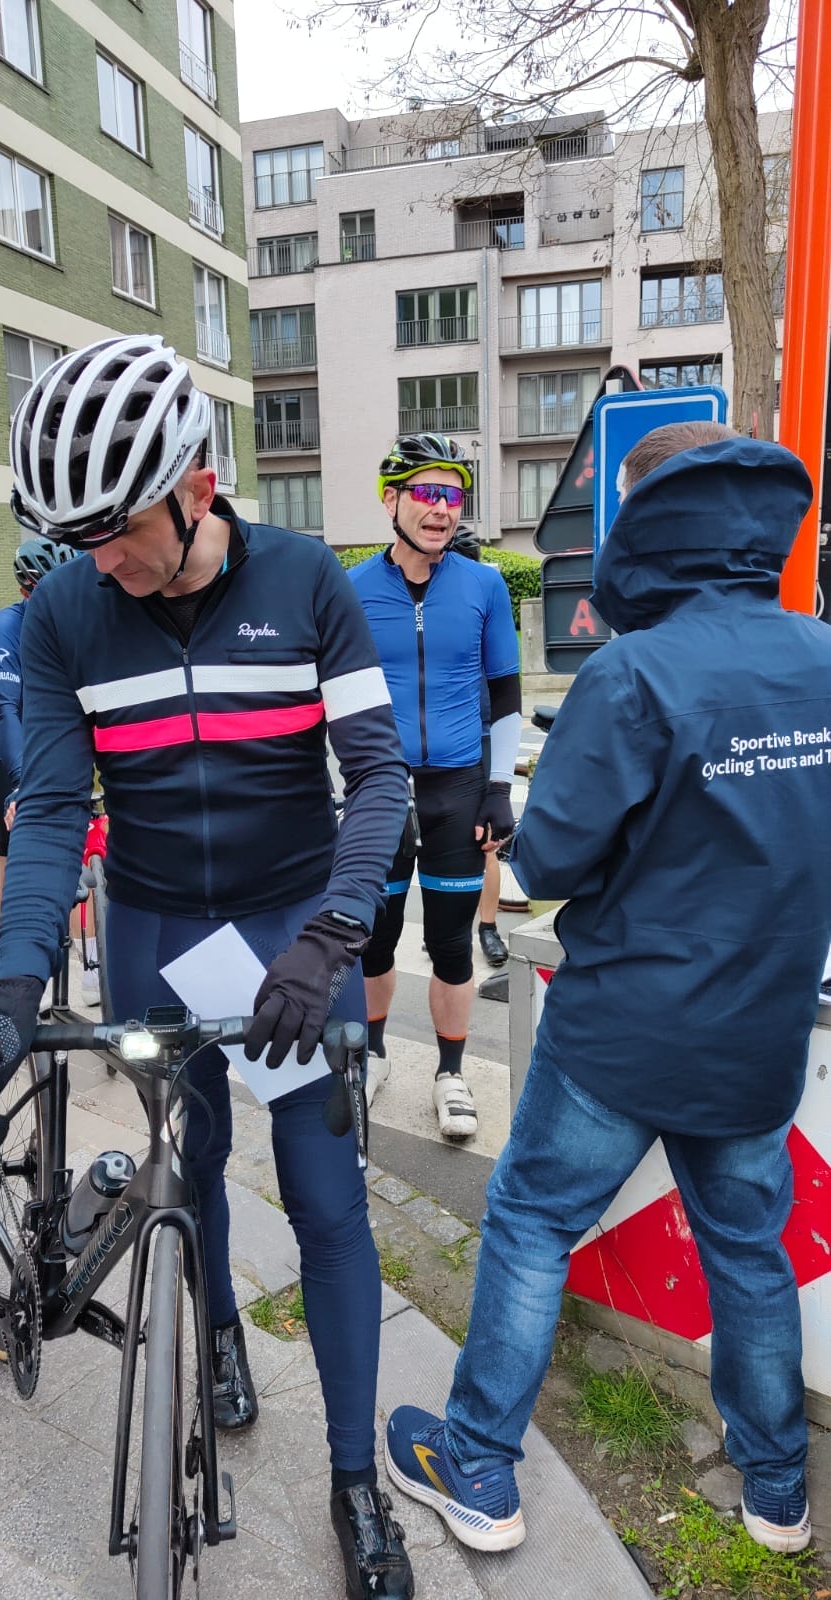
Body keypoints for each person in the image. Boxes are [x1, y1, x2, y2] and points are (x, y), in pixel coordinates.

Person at [0, 335, 414, 1598]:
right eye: (74, 536)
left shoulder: (311, 579)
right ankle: (215, 1341)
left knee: (322, 1196)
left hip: (288, 922)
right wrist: (12, 986)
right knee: (182, 1164)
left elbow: (379, 781)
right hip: (152, 922)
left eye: (114, 530)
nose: (97, 559)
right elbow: (47, 811)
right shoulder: (65, 614)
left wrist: (332, 934)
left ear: (195, 486)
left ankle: (356, 1485)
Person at [384, 422, 831, 1559]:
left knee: (533, 1221)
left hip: (626, 1027)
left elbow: (549, 864)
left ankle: (479, 1464)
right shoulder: (822, 654)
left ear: (650, 523)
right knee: (749, 1249)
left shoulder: (632, 671)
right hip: (761, 1029)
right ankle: (779, 1492)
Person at [349, 435, 522, 1138]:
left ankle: (451, 1074)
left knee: (452, 946)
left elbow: (506, 696)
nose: (442, 509)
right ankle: (373, 1055)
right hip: (379, 790)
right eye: (427, 492)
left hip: (458, 789)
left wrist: (500, 789)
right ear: (390, 499)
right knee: (374, 941)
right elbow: (325, 698)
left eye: (453, 496)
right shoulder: (352, 589)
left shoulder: (483, 586)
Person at [0, 538, 77, 929]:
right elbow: (4, 709)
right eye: (43, 592)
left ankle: (92, 967)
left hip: (42, 740)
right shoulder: (6, 627)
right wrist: (20, 784)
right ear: (25, 589)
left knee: (78, 858)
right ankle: (13, 974)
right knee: (14, 864)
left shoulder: (71, 624)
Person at [450, 524, 508, 969]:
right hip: (436, 750)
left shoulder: (489, 600)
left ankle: (487, 927)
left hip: (485, 733)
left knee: (486, 843)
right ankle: (449, 926)